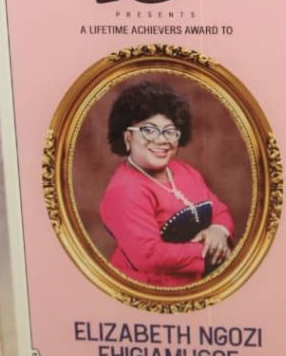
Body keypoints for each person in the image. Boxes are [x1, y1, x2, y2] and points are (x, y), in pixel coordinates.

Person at [99, 81, 234, 287]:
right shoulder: (124, 190)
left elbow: (219, 211)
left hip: (193, 285)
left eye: (170, 131)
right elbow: (149, 256)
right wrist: (210, 250)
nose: (162, 140)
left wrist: (218, 231)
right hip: (147, 292)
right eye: (149, 130)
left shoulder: (185, 172)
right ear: (128, 137)